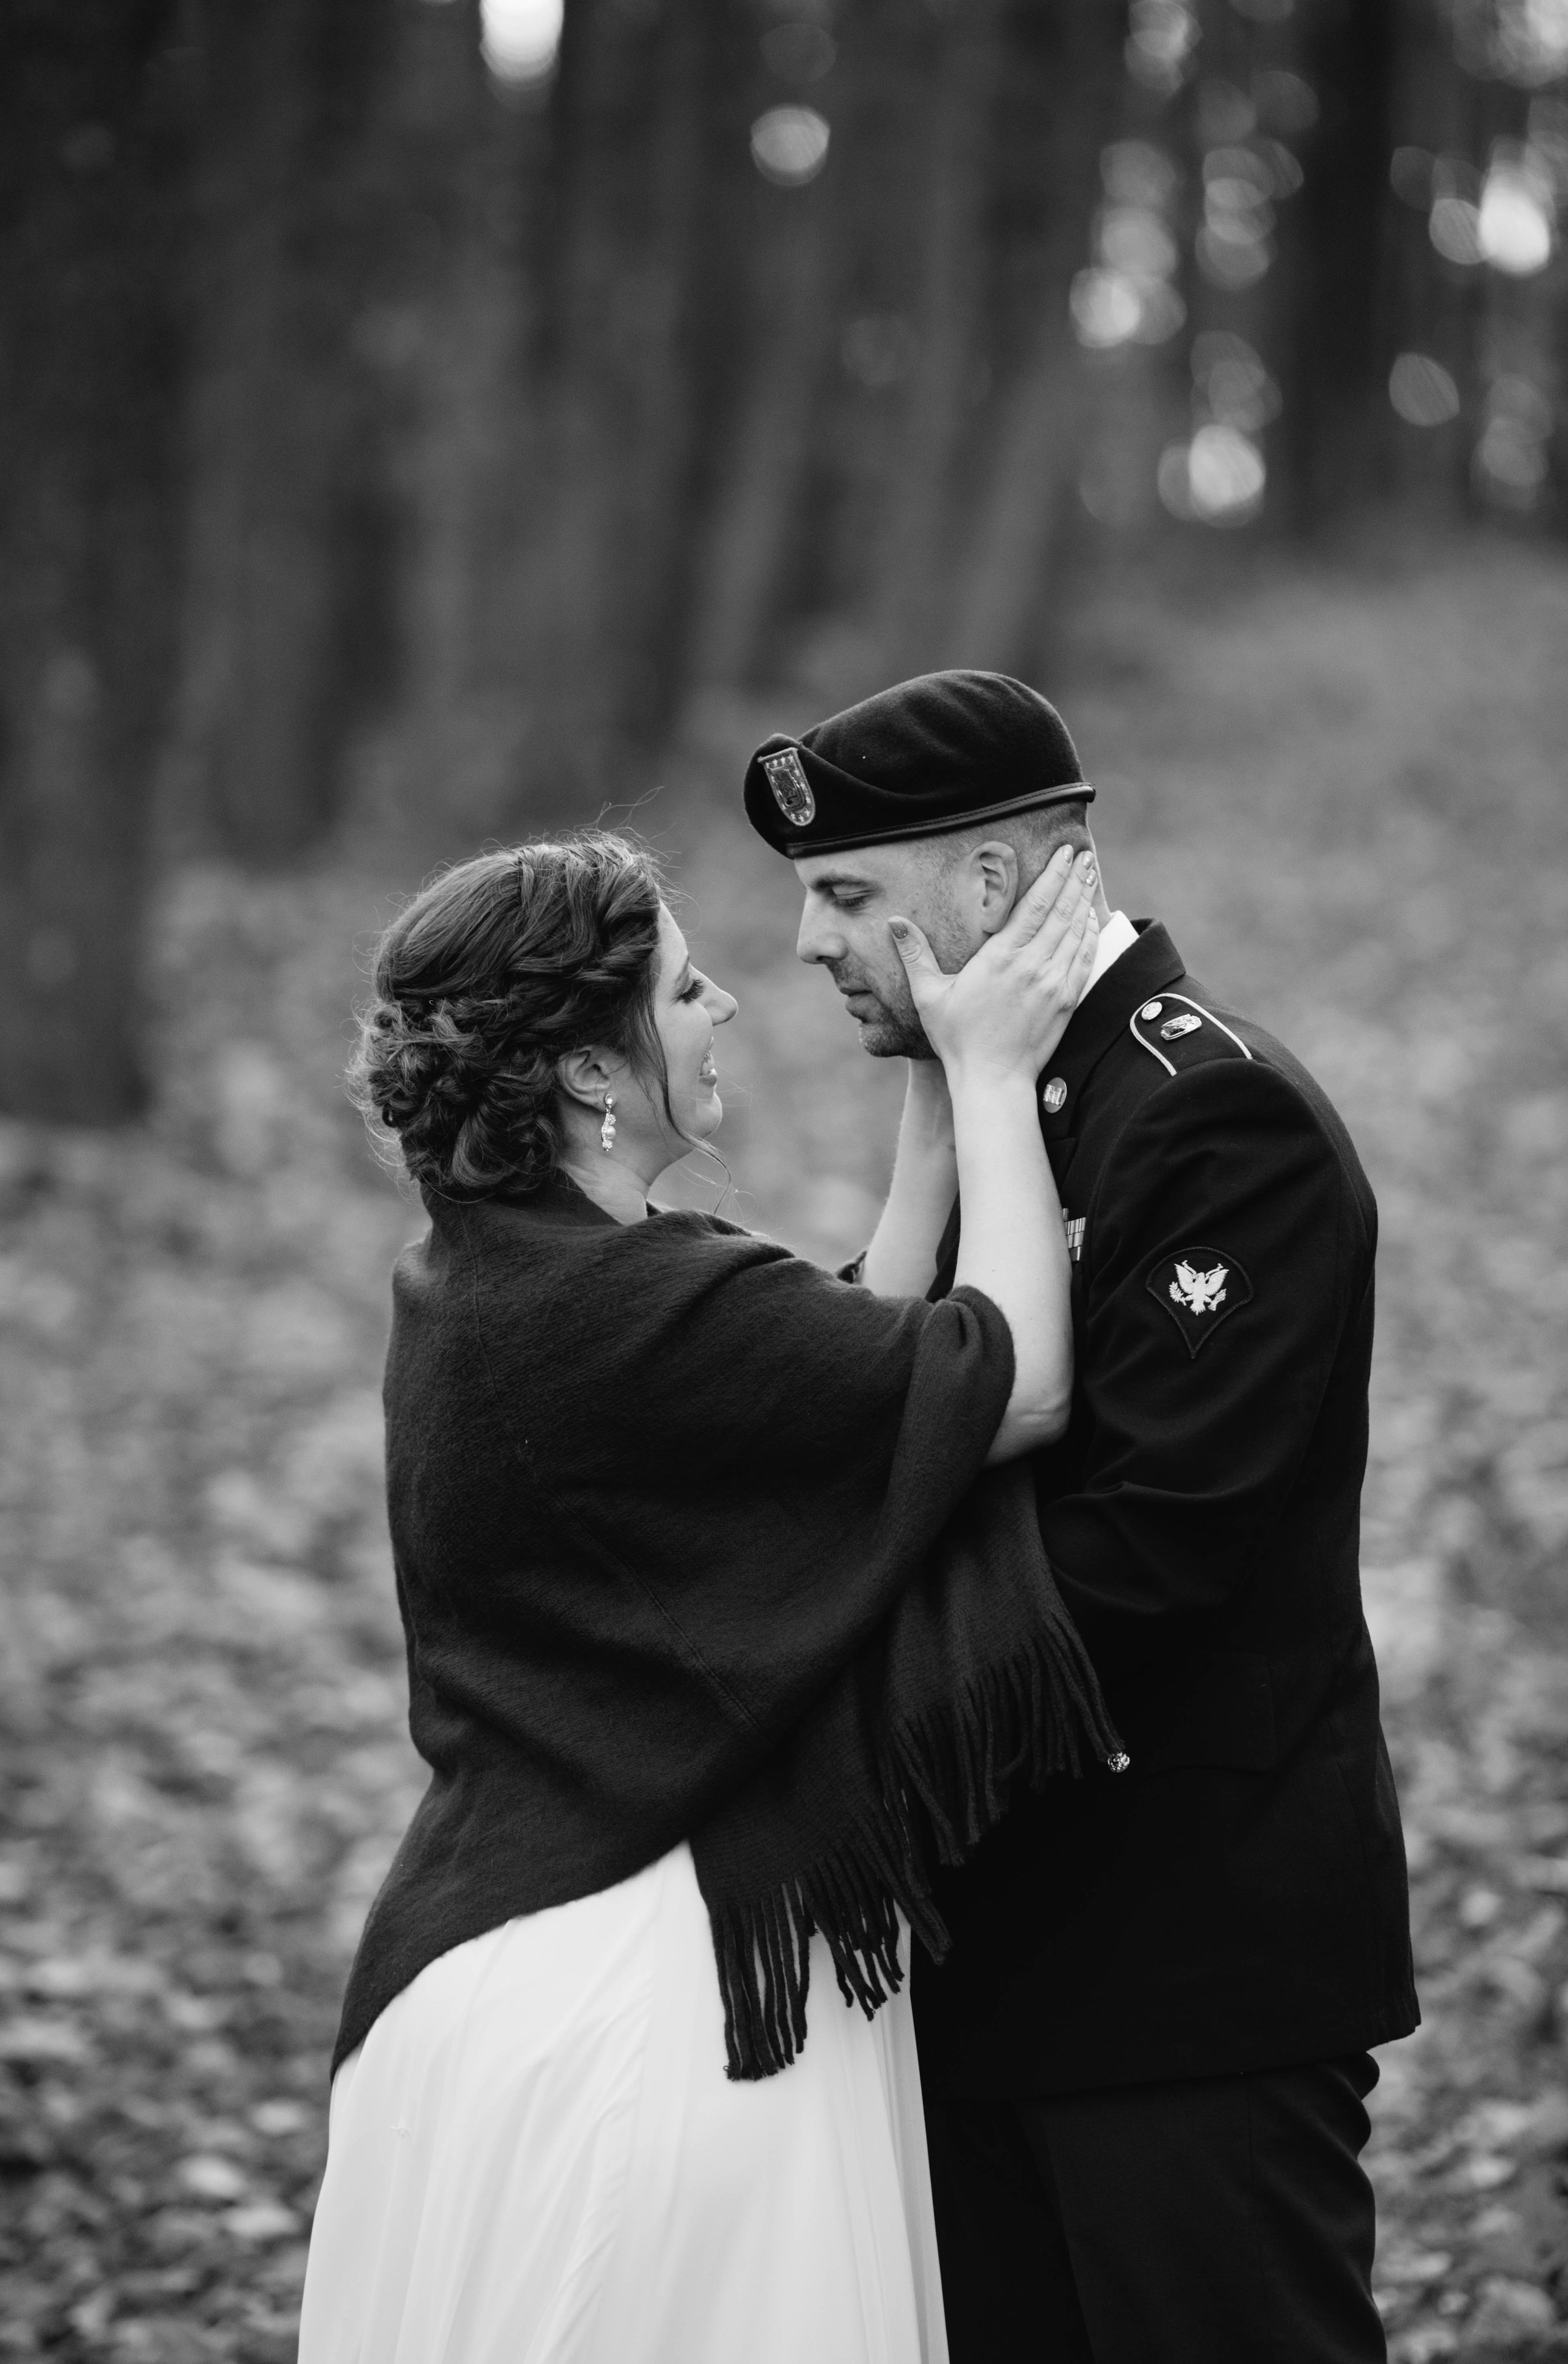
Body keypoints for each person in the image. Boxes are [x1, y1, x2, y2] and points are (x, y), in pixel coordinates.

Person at [297, 828, 1121, 2364]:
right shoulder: (636, 1299)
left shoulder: (488, 1275)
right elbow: (1006, 1386)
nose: (726, 1005)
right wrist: (1003, 1071)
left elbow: (836, 1370)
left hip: (492, 1974)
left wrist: (931, 1090)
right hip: (647, 2012)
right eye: (683, 988)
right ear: (591, 1074)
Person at [745, 670, 1419, 2364]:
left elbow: (1150, 1549)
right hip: (985, 1962)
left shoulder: (1206, 1115)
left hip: (1181, 1974)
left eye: (845, 897)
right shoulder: (998, 1103)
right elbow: (875, 1424)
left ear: (987, 888)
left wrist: (810, 1691)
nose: (809, 946)